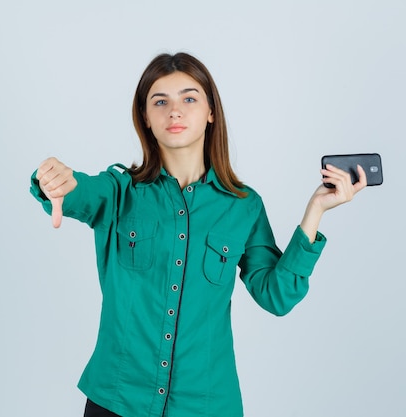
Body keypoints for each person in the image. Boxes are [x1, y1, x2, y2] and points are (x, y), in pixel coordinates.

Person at [30, 52, 366, 417]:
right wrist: (53, 180)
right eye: (160, 101)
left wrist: (315, 211)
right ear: (145, 116)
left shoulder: (243, 205)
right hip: (117, 400)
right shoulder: (118, 191)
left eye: (189, 98)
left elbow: (277, 296)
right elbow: (76, 190)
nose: (175, 111)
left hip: (205, 406)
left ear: (210, 112)